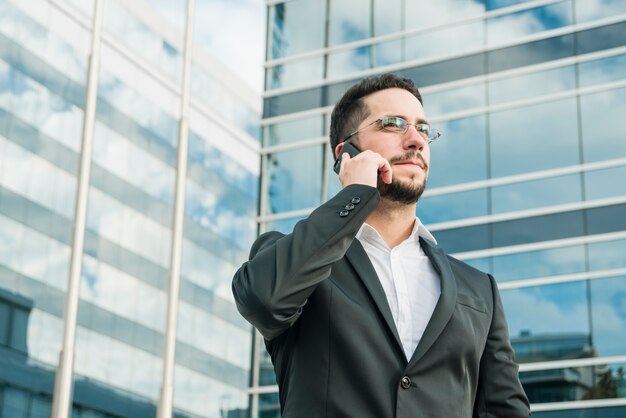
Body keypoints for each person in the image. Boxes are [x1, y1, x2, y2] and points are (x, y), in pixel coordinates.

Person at [232, 74, 530, 418]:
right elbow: (262, 300)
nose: (416, 140)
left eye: (423, 128)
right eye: (393, 124)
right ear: (346, 153)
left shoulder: (480, 292)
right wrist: (354, 195)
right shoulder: (296, 260)